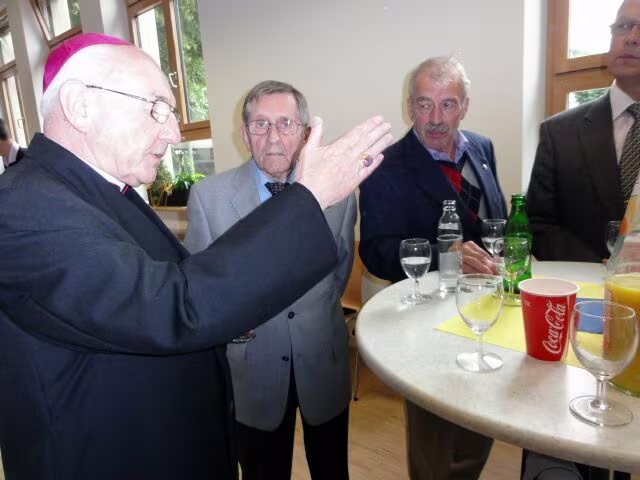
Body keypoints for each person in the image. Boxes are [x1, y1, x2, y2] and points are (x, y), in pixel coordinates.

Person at [0, 33, 392, 480]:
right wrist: (309, 198)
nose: (173, 132)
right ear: (80, 105)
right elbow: (172, 305)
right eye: (157, 107)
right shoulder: (24, 206)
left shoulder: (99, 193)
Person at [184, 80, 355, 480]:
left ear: (305, 134)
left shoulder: (340, 194)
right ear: (244, 135)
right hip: (252, 372)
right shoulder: (209, 198)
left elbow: (339, 268)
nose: (274, 137)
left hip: (322, 361)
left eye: (285, 123)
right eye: (260, 124)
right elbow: (201, 289)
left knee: (333, 471)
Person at [359, 56, 507, 480]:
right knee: (437, 448)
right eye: (424, 104)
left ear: (465, 106)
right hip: (427, 324)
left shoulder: (483, 148)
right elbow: (376, 251)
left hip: (486, 313)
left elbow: (490, 220)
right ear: (409, 106)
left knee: (479, 425)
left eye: (448, 104)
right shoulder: (384, 166)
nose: (436, 118)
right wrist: (446, 255)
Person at [527, 0, 640, 263]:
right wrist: (599, 265)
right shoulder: (558, 132)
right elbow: (538, 225)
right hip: (585, 284)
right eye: (623, 26)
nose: (632, 38)